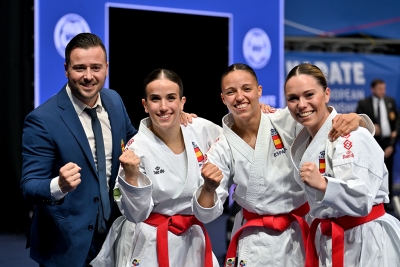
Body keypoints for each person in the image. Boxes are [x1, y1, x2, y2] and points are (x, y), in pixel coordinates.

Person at [20, 33, 195, 267]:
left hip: (116, 237)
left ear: (106, 68)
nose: (89, 76)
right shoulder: (42, 119)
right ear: (66, 69)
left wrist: (173, 120)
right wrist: (58, 185)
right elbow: (29, 185)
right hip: (66, 245)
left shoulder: (113, 100)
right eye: (80, 68)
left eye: (96, 67)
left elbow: (137, 141)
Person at [192, 63, 374, 267]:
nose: (240, 97)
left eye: (246, 88)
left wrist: (356, 119)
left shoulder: (285, 119)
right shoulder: (222, 146)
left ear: (259, 91)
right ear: (223, 98)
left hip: (300, 230)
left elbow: (324, 123)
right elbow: (206, 214)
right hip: (255, 241)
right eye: (231, 92)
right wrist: (208, 188)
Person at [90, 68, 223, 267]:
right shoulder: (136, 149)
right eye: (155, 99)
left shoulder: (199, 128)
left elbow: (238, 140)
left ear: (182, 102)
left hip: (192, 240)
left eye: (171, 98)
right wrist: (132, 178)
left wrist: (258, 110)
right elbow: (135, 214)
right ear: (145, 105)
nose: (163, 107)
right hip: (149, 242)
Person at [286, 63, 400, 267]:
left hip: (366, 240)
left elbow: (363, 198)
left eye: (309, 95)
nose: (301, 104)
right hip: (330, 237)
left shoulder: (350, 135)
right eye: (293, 98)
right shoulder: (305, 137)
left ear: (327, 94)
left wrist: (323, 184)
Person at [355, 79, 400, 210]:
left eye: (384, 89)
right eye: (380, 89)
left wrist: (394, 137)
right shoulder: (364, 104)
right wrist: (370, 125)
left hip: (388, 143)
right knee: (373, 171)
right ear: (372, 89)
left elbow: (397, 120)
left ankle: (388, 200)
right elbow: (357, 120)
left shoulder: (390, 101)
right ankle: (373, 198)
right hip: (373, 143)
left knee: (389, 171)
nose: (383, 91)